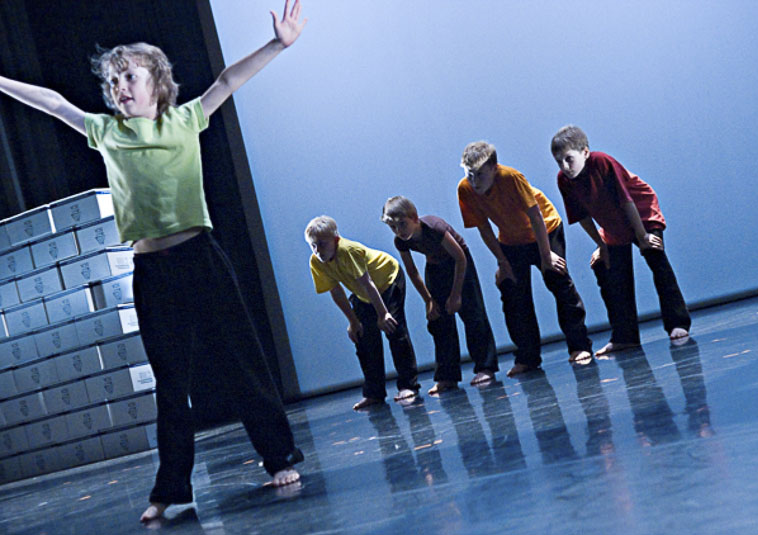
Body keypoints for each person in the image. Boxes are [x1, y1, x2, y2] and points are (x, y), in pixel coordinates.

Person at [0, 0, 308, 523]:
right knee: (170, 382)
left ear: (157, 84)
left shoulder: (186, 119)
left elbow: (228, 80)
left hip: (200, 257)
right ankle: (172, 488)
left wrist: (277, 44)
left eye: (130, 77)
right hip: (152, 271)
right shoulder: (107, 132)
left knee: (241, 360)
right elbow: (53, 103)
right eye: (113, 81)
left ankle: (278, 456)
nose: (119, 87)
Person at [551, 124, 690, 356]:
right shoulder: (564, 180)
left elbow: (627, 201)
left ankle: (678, 322)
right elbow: (581, 216)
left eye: (569, 159)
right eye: (559, 162)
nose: (565, 167)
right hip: (613, 223)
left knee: (657, 261)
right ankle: (625, 337)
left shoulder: (602, 162)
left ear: (585, 152)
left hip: (640, 214)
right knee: (614, 276)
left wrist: (643, 236)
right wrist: (601, 245)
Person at [457, 141, 593, 373]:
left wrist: (546, 255)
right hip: (511, 239)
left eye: (480, 175)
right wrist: (503, 262)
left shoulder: (511, 178)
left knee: (558, 280)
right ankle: (527, 358)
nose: (474, 181)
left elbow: (535, 216)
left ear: (494, 168)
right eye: (470, 174)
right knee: (513, 293)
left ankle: (579, 346)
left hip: (545, 230)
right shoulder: (465, 189)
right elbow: (484, 228)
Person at [381, 196, 498, 395]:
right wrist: (428, 300)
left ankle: (485, 367)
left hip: (459, 265)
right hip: (435, 268)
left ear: (414, 218)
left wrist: (456, 295)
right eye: (393, 227)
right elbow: (412, 272)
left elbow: (460, 258)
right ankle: (447, 377)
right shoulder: (400, 241)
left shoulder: (434, 227)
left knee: (473, 315)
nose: (399, 231)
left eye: (402, 224)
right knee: (439, 321)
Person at [305, 215, 420, 410]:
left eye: (322, 244)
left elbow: (368, 283)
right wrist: (353, 321)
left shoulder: (347, 250)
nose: (318, 251)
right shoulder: (317, 262)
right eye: (313, 246)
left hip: (387, 279)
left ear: (335, 240)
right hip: (364, 293)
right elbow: (336, 291)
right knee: (364, 337)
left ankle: (408, 386)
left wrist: (383, 314)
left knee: (394, 329)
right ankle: (374, 393)